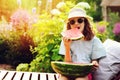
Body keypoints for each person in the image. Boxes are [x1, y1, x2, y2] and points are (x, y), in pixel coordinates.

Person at [59, 8, 106, 80]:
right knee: (63, 79)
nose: (76, 23)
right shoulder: (66, 39)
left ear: (85, 22)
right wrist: (67, 46)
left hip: (85, 73)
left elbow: (95, 60)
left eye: (80, 20)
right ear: (69, 24)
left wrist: (94, 62)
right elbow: (67, 63)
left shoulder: (94, 40)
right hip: (69, 71)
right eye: (72, 22)